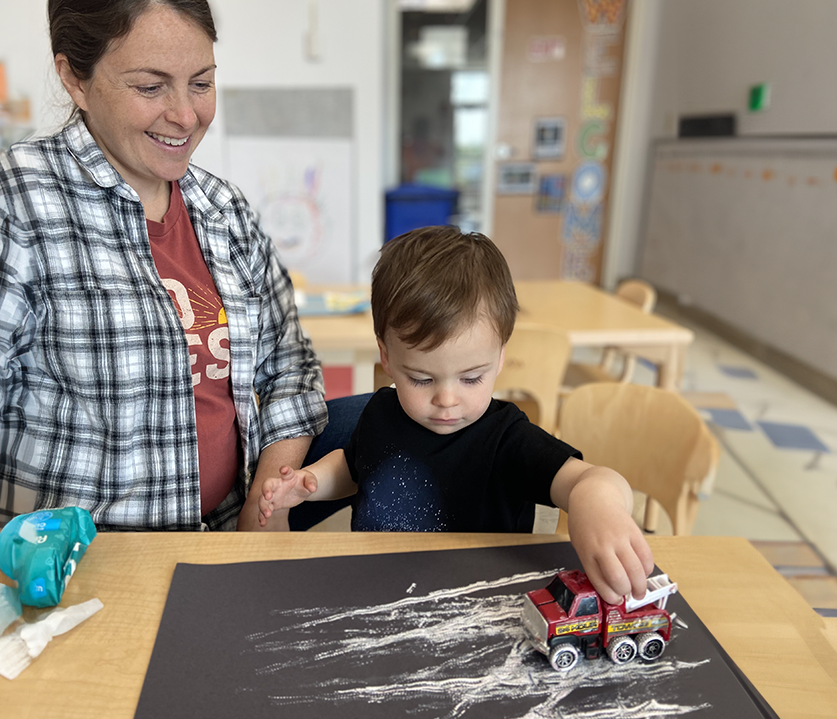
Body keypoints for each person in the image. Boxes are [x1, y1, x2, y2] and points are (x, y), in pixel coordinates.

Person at [0, 0, 329, 659]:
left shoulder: (225, 211)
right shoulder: (15, 200)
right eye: (150, 85)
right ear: (73, 75)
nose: (185, 115)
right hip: (71, 580)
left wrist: (262, 507)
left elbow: (288, 371)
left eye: (202, 81)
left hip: (223, 548)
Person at [258, 226, 655, 604]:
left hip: (476, 601)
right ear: (387, 357)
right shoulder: (380, 411)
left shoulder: (506, 437)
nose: (446, 399)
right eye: (421, 378)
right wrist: (313, 481)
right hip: (379, 591)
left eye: (471, 378)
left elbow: (586, 479)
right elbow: (354, 466)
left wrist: (596, 502)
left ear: (500, 358)